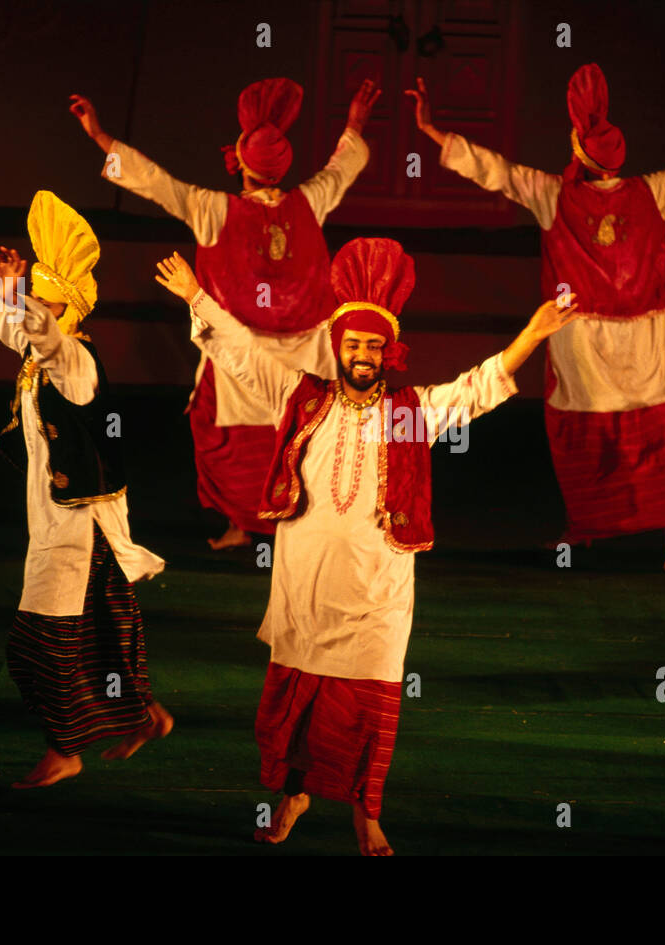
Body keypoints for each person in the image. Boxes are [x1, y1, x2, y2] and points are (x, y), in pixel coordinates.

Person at [155, 237, 578, 854]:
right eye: (352, 344)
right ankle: (294, 795)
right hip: (306, 586)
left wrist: (534, 334)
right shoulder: (301, 399)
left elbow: (475, 388)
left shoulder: (410, 413)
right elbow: (244, 353)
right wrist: (197, 296)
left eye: (372, 346)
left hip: (377, 595)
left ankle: (367, 812)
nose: (361, 355)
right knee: (296, 705)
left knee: (370, 709)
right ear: (339, 347)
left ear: (388, 352)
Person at [407, 64, 665, 570]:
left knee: (583, 435)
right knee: (660, 431)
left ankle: (585, 530)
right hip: (645, 337)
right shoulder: (651, 191)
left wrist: (434, 132)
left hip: (582, 338)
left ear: (578, 155)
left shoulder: (554, 195)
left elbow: (495, 170)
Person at [0, 171, 170, 788]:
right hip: (63, 521)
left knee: (36, 646)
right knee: (104, 632)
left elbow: (41, 335)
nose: (27, 303)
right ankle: (142, 716)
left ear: (65, 308)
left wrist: (17, 298)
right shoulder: (37, 352)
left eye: (39, 296)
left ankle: (66, 749)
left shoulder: (75, 361)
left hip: (80, 528)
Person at [71, 77, 379, 549]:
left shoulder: (211, 208)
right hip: (309, 352)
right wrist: (356, 122)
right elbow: (343, 168)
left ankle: (247, 524)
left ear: (241, 163)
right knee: (300, 439)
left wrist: (98, 137)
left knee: (226, 435)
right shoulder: (311, 201)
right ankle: (283, 526)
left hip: (241, 350)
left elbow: (153, 182)